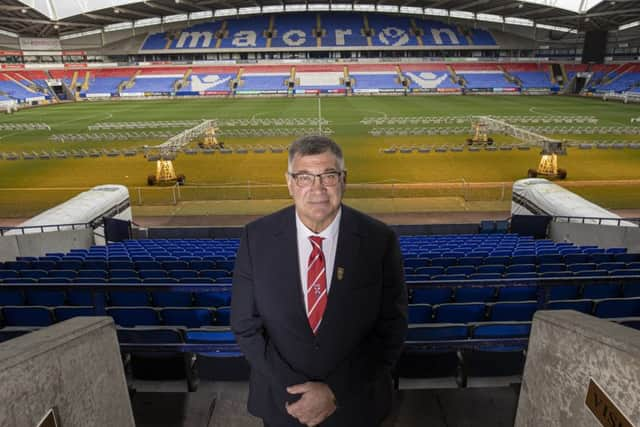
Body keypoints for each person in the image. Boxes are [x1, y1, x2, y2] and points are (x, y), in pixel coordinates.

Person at [231, 135, 408, 427]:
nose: (317, 189)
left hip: (356, 403)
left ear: (343, 180)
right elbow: (245, 325)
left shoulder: (379, 240)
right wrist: (299, 394)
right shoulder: (256, 237)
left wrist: (334, 391)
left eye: (328, 176)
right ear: (289, 183)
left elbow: (391, 328)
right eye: (304, 177)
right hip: (282, 403)